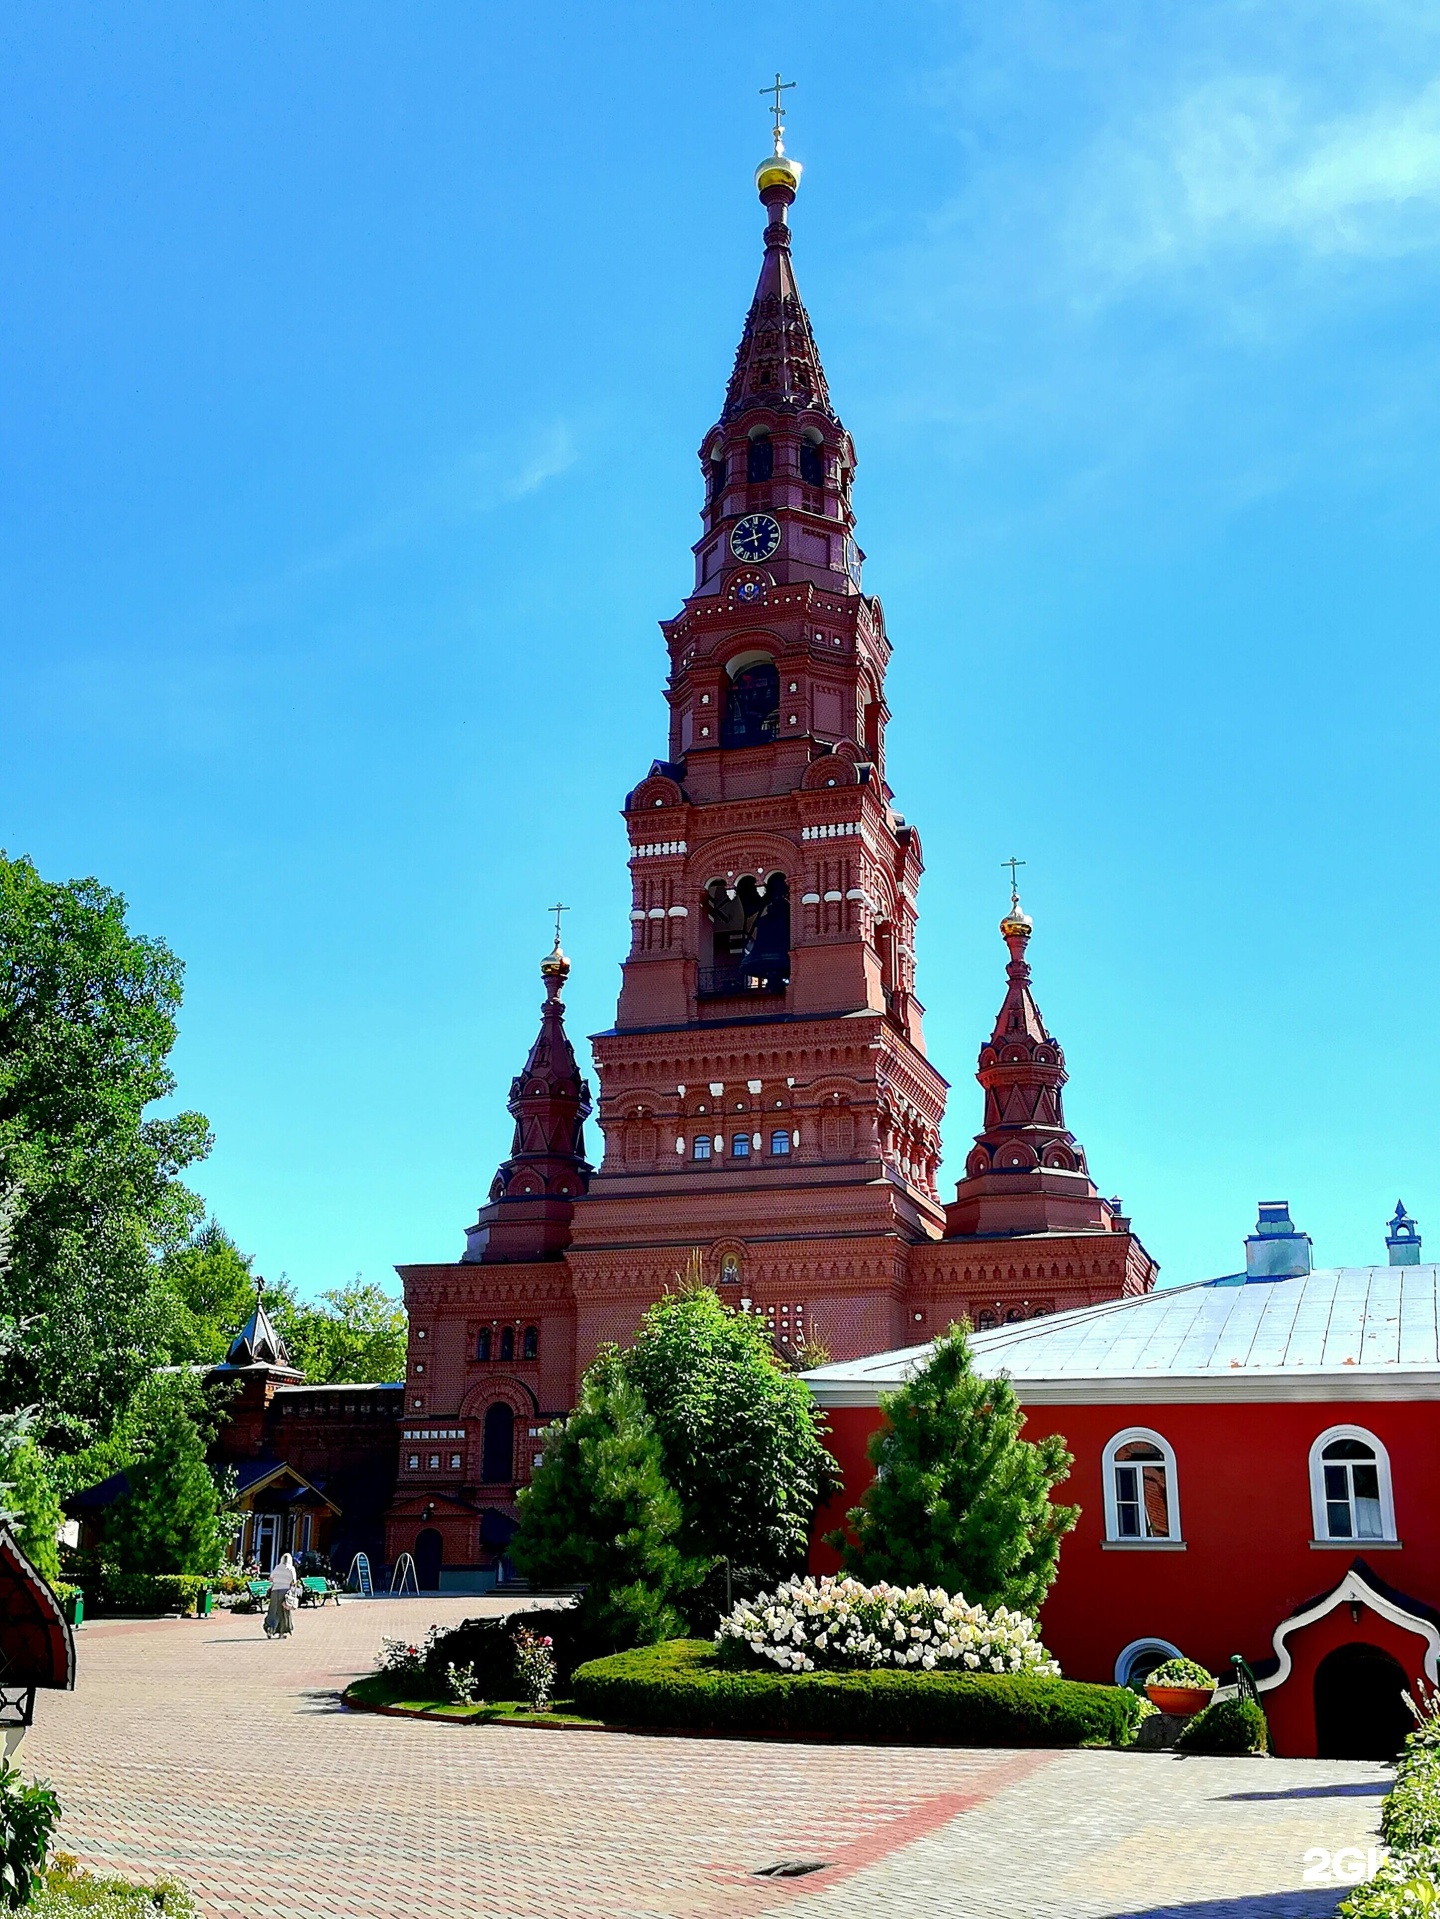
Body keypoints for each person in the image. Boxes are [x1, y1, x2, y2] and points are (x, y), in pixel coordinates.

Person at [265, 1551, 299, 1639]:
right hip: (285, 1592)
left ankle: (270, 1627)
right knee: (283, 1613)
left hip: (274, 1591)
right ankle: (281, 1632)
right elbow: (293, 1582)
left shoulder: (277, 1568)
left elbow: (271, 1579)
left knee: (273, 1611)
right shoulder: (291, 1569)